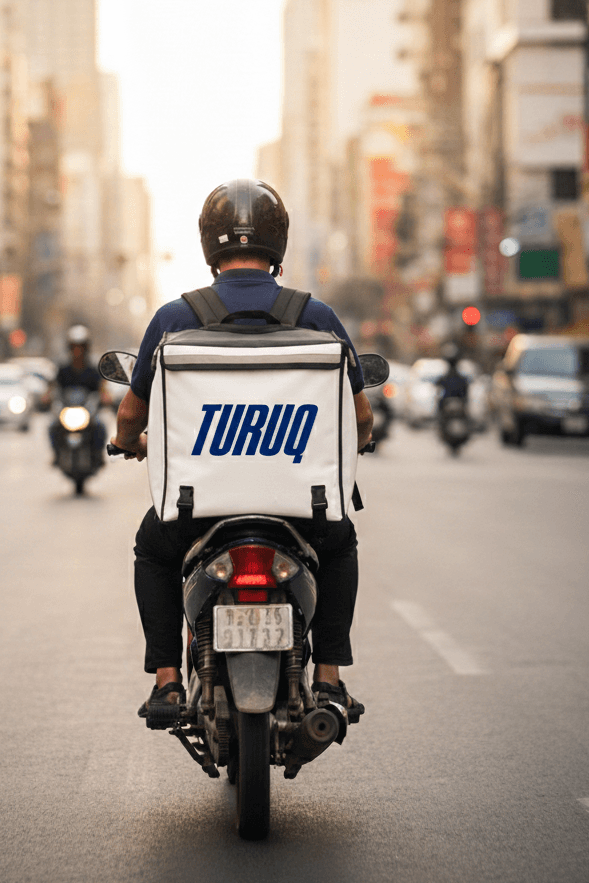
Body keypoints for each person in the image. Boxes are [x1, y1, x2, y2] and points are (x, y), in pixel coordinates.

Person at [112, 179, 374, 718]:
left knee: (152, 550)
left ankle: (166, 681)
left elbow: (131, 414)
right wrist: (356, 446)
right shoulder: (316, 316)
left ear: (209, 245)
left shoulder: (173, 319)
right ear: (279, 243)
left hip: (194, 511)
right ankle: (328, 677)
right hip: (304, 511)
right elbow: (360, 418)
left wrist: (126, 443)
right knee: (341, 542)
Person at [49, 325, 109, 461]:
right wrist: (47, 397)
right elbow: (54, 388)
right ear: (69, 348)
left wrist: (105, 397)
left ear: (86, 348)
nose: (78, 351)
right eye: (74, 347)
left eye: (81, 347)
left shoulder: (93, 370)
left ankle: (98, 455)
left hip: (88, 412)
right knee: (52, 427)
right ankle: (57, 455)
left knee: (101, 426)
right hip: (67, 411)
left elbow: (102, 389)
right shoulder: (63, 369)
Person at [435, 345, 470, 410]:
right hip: (447, 408)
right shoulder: (462, 379)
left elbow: (465, 397)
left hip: (458, 410)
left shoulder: (444, 379)